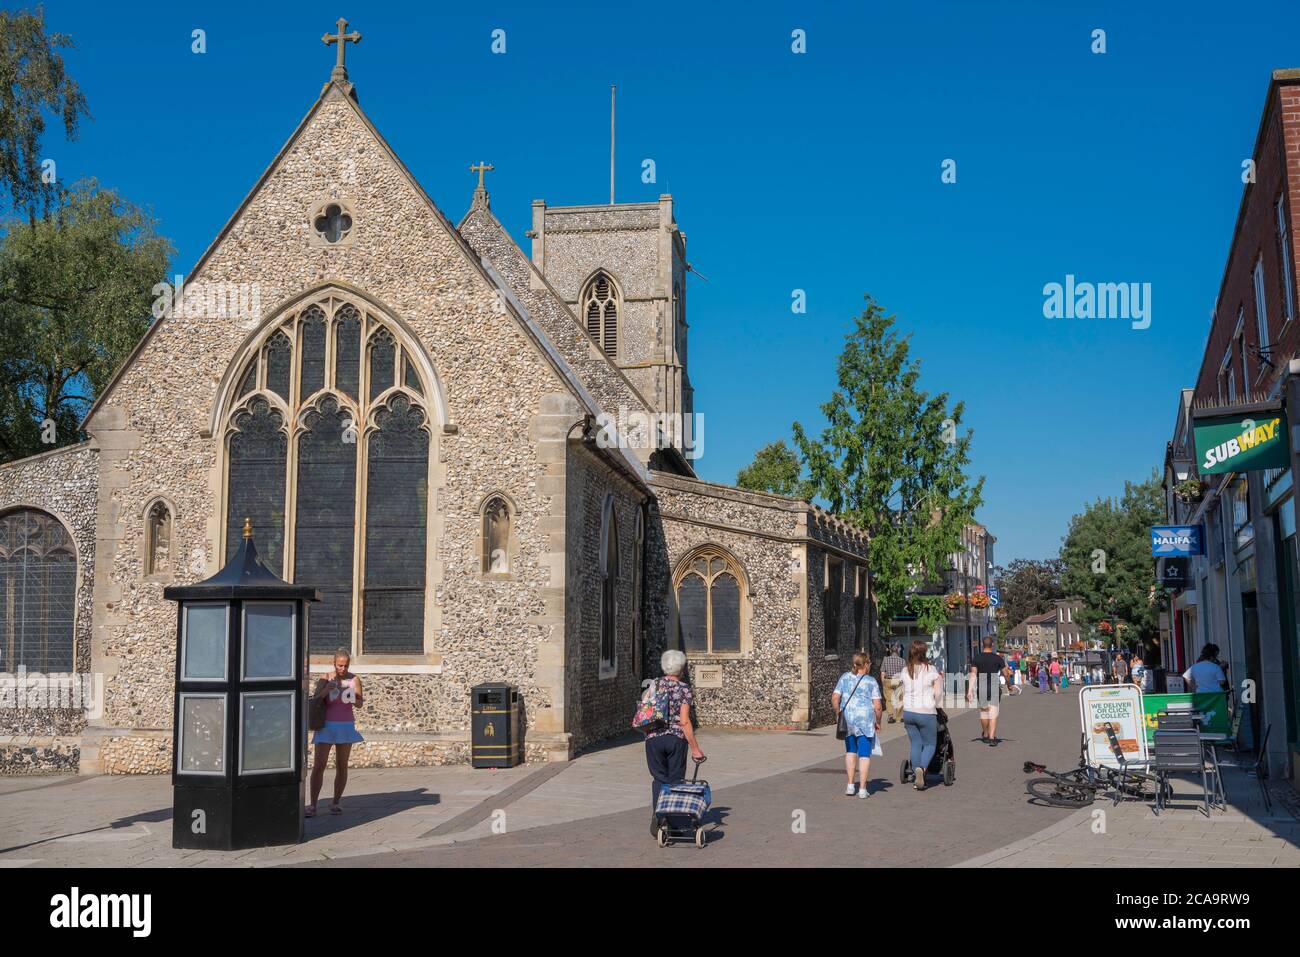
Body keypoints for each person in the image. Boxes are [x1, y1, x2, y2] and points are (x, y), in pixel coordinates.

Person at [645, 649, 706, 836]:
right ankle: (674, 822)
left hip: (654, 739)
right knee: (675, 780)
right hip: (675, 739)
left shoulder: (654, 684)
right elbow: (685, 721)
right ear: (680, 669)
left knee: (659, 779)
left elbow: (646, 710)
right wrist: (695, 748)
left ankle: (659, 816)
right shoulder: (684, 689)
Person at [308, 648, 364, 817]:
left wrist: (353, 696)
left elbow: (360, 703)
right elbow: (316, 699)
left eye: (345, 666)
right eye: (340, 665)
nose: (342, 669)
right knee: (319, 765)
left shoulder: (354, 679)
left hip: (345, 725)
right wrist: (327, 689)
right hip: (327, 725)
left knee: (342, 764)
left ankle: (336, 802)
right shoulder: (326, 677)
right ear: (334, 663)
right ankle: (313, 804)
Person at [833, 652, 883, 799]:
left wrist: (839, 712)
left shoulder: (844, 677)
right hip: (865, 721)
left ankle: (850, 785)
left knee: (850, 751)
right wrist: (878, 722)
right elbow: (878, 707)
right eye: (869, 663)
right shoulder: (871, 681)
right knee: (864, 754)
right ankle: (862, 788)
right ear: (866, 664)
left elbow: (835, 698)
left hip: (848, 720)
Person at [898, 640, 944, 791]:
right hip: (926, 712)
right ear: (924, 653)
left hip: (909, 712)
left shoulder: (905, 670)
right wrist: (937, 706)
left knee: (916, 743)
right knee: (930, 744)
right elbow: (938, 693)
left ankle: (916, 768)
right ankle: (922, 769)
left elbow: (902, 691)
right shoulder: (931, 670)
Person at [968, 637, 1011, 745]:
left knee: (984, 712)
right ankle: (992, 738)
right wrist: (1009, 685)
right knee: (993, 712)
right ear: (992, 645)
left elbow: (973, 674)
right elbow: (1006, 673)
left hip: (982, 685)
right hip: (994, 685)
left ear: (982, 645)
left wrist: (969, 691)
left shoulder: (977, 658)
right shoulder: (997, 658)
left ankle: (986, 734)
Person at [880, 644, 905, 724]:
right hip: (898, 680)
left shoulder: (885, 659)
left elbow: (883, 672)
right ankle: (898, 718)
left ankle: (890, 716)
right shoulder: (902, 660)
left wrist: (883, 682)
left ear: (890, 651)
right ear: (898, 651)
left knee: (889, 699)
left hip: (888, 680)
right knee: (899, 699)